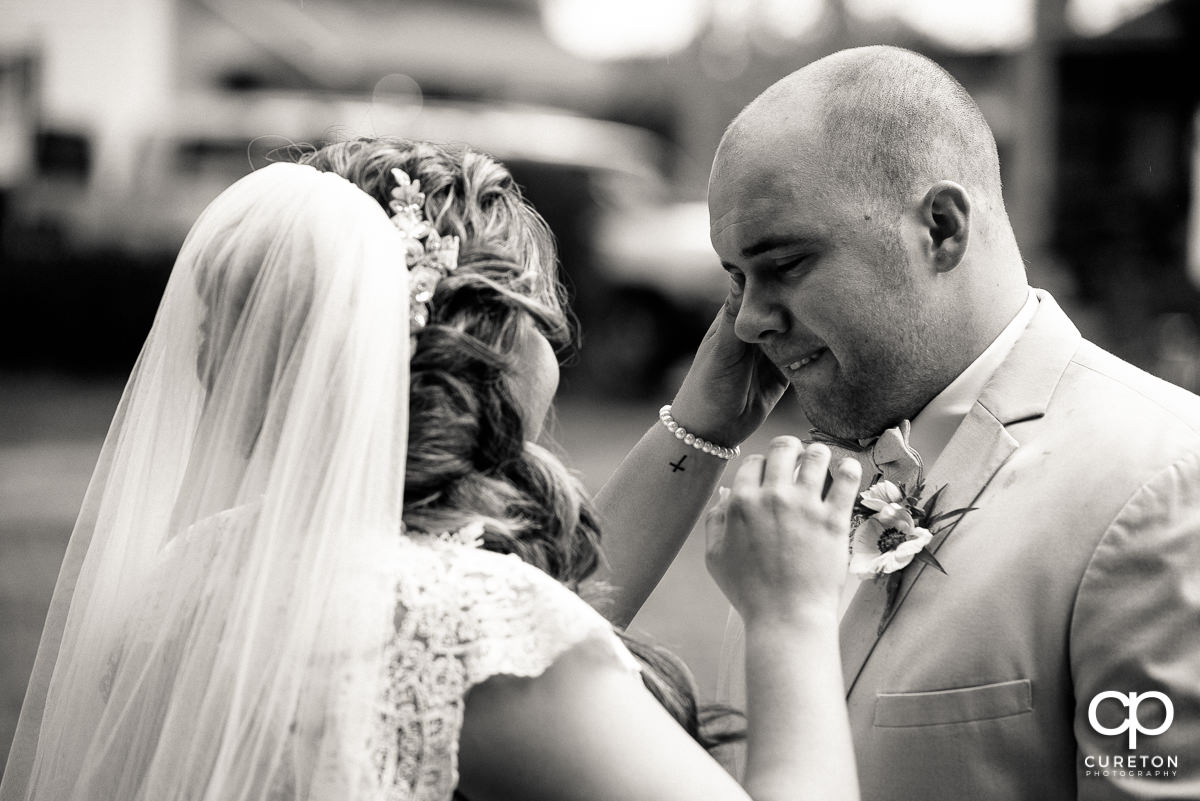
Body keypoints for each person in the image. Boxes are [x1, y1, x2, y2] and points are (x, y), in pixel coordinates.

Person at [0, 137, 864, 801]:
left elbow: (540, 625)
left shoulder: (198, 567)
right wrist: (789, 614)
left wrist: (703, 425)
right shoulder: (459, 623)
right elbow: (503, 637)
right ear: (488, 334)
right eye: (541, 308)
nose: (557, 335)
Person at [594, 46, 1200, 800]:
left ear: (941, 227)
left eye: (783, 264)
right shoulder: (791, 514)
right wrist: (699, 430)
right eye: (735, 280)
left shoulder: (1164, 483)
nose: (745, 322)